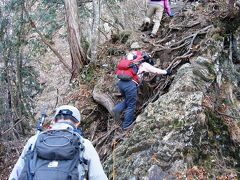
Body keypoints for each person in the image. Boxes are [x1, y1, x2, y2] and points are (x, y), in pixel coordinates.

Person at [9, 105, 108, 180]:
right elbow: (98, 176)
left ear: (54, 121)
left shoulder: (34, 140)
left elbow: (17, 173)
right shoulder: (83, 144)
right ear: (77, 123)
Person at [113, 51, 171, 130]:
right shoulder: (144, 64)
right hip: (130, 86)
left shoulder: (130, 63)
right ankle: (126, 125)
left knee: (128, 100)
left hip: (121, 84)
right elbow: (155, 70)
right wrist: (166, 72)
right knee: (131, 105)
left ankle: (116, 109)